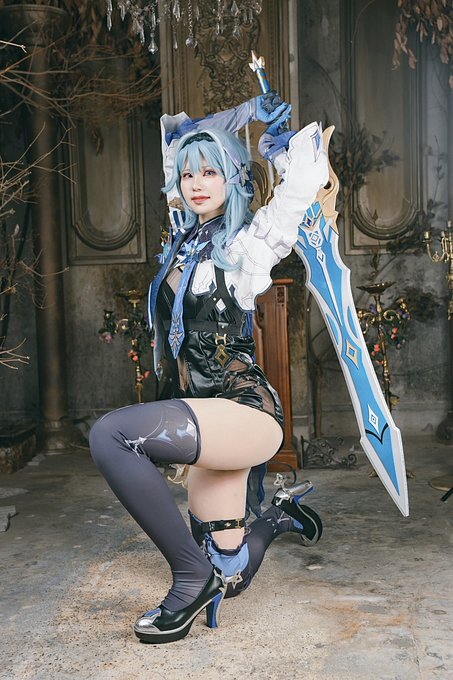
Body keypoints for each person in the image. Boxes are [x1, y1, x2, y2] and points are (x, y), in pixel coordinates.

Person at [89, 92, 329, 644]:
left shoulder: (248, 245)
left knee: (110, 435)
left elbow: (300, 187)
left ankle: (188, 578)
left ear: (233, 178)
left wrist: (276, 144)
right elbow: (176, 137)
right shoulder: (182, 239)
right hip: (201, 414)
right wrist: (241, 113)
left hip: (244, 411)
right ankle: (279, 516)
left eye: (210, 172)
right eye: (188, 174)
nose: (196, 183)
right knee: (231, 574)